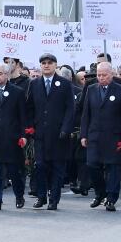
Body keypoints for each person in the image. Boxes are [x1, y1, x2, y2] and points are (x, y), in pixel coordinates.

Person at [26, 53, 74, 210]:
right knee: (39, 166)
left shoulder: (65, 84)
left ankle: (54, 199)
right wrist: (30, 127)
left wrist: (66, 129)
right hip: (40, 133)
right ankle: (41, 196)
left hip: (59, 134)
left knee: (57, 168)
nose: (46, 65)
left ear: (55, 65)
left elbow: (70, 109)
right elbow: (30, 107)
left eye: (49, 63)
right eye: (43, 63)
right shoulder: (34, 84)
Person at [81, 62, 121, 212]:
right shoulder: (91, 89)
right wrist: (83, 134)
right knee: (91, 165)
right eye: (99, 75)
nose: (101, 78)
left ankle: (111, 198)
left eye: (104, 75)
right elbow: (86, 114)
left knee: (113, 168)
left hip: (114, 136)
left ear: (112, 74)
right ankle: (100, 193)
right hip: (94, 135)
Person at [0, 63, 27, 211]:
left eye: (0, 73)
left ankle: (19, 195)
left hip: (12, 139)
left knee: (14, 171)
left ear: (7, 75)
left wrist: (23, 135)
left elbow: (22, 116)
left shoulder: (17, 92)